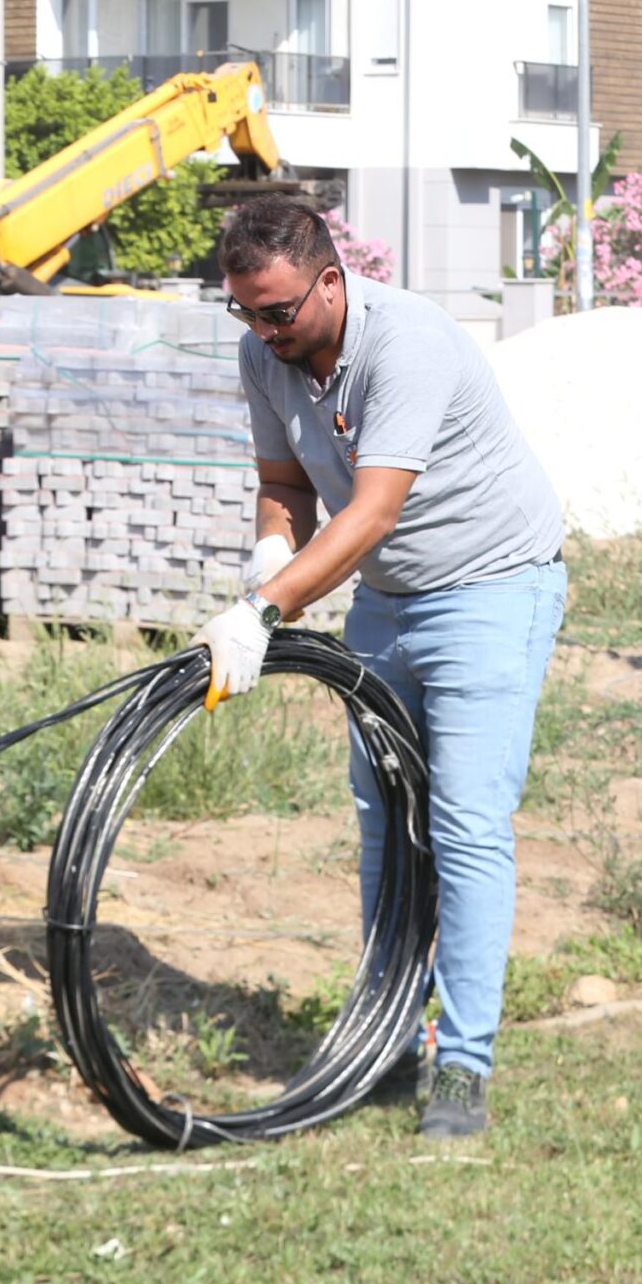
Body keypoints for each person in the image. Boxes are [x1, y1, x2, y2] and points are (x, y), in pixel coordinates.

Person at [194, 198, 567, 1140]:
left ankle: (464, 1066)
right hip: (389, 599)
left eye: (277, 311)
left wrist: (262, 613)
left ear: (330, 281)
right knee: (387, 822)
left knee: (464, 823)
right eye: (245, 311)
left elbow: (371, 512)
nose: (263, 330)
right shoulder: (265, 354)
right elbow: (285, 484)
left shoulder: (407, 343)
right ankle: (388, 1038)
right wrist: (271, 556)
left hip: (491, 589)